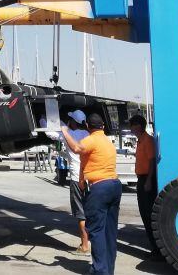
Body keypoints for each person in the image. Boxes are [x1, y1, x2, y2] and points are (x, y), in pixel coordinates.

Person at [62, 112, 122, 275]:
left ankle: (99, 270)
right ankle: (108, 269)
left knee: (96, 231)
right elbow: (86, 161)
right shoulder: (107, 141)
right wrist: (82, 180)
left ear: (88, 126)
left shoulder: (91, 139)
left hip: (99, 188)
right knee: (110, 231)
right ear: (102, 126)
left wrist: (64, 131)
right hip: (115, 185)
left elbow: (75, 148)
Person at [129, 114, 160, 257]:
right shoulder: (140, 141)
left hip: (147, 180)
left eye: (133, 125)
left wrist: (148, 181)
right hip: (142, 179)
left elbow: (153, 161)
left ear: (139, 126)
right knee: (144, 213)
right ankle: (154, 247)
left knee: (148, 214)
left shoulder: (147, 140)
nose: (131, 129)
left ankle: (156, 249)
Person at [61, 109, 91, 254]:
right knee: (90, 211)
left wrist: (43, 117)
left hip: (76, 178)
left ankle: (84, 245)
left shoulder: (68, 135)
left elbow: (50, 132)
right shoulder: (87, 135)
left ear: (73, 121)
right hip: (89, 178)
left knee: (80, 213)